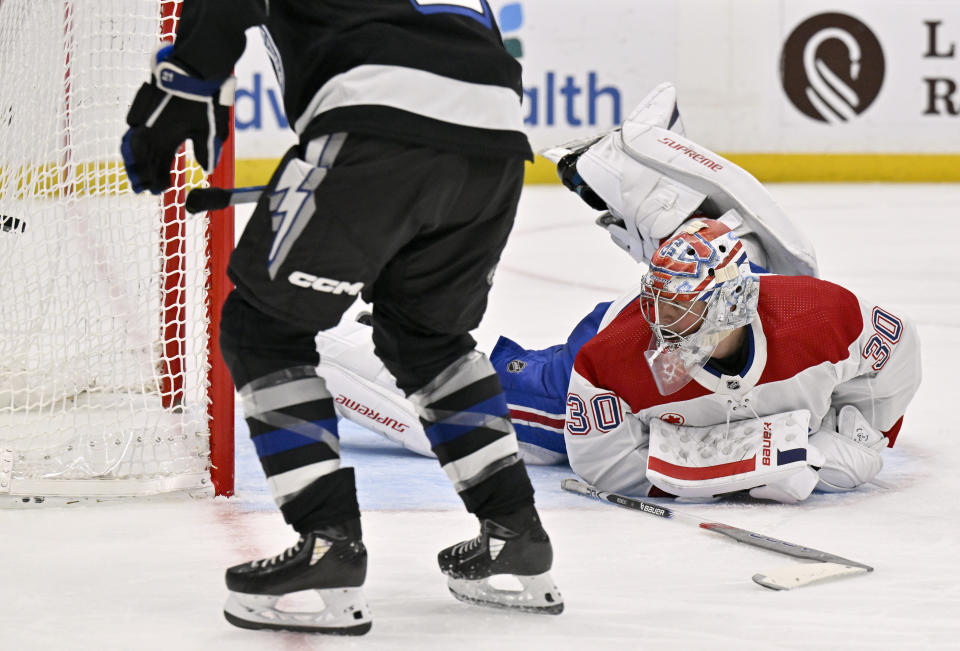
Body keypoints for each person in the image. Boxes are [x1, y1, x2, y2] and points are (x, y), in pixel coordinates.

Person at [120, 0, 562, 635]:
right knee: (428, 339)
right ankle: (516, 530)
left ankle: (327, 543)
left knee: (263, 327)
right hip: (493, 139)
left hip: (375, 120)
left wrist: (185, 81)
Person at [320, 83, 921, 507]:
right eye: (662, 303)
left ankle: (636, 170)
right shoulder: (613, 361)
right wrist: (779, 455)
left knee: (748, 261)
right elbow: (606, 467)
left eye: (682, 308)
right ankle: (329, 340)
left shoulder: (818, 314)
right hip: (595, 378)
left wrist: (866, 427)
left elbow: (895, 354)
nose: (664, 325)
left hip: (740, 316)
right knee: (485, 406)